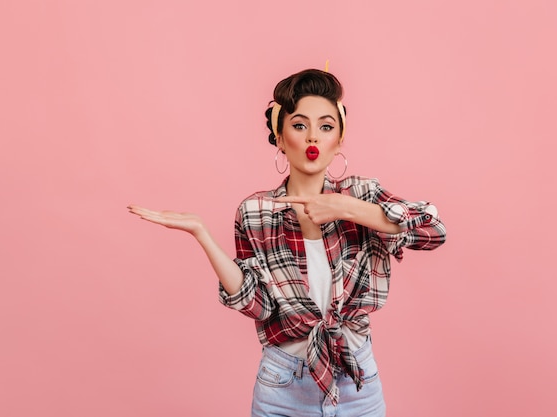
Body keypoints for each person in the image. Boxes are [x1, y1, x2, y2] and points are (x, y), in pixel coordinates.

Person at [128, 68, 446, 416]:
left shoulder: (362, 195)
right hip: (283, 383)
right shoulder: (255, 212)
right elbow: (257, 305)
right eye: (299, 125)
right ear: (279, 138)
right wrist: (202, 234)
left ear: (339, 140)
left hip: (358, 381)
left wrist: (346, 207)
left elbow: (433, 230)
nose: (313, 137)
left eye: (326, 127)